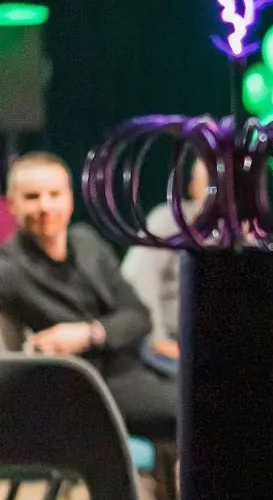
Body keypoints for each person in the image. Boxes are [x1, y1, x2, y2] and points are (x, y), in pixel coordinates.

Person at [0, 153, 177, 443]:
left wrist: (89, 333)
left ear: (70, 198)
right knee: (193, 413)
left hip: (134, 365)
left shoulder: (87, 242)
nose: (45, 206)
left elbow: (138, 317)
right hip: (87, 387)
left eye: (54, 194)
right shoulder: (9, 269)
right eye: (32, 197)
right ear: (12, 204)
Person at [120, 157, 211, 373]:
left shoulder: (251, 238)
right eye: (213, 186)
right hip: (170, 346)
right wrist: (158, 339)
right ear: (194, 188)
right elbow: (138, 281)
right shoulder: (169, 222)